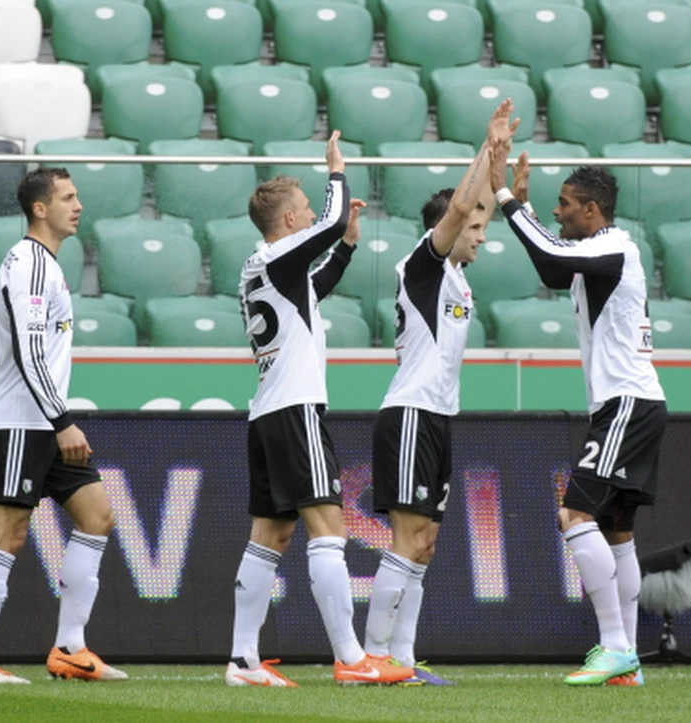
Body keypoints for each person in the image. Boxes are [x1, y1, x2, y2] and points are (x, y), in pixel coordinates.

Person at [226, 130, 413, 688]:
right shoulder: (280, 255)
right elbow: (327, 224)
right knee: (328, 528)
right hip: (294, 408)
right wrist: (336, 171)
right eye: (304, 209)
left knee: (270, 535)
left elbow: (314, 286)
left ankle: (242, 661)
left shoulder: (262, 265)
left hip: (267, 411)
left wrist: (348, 245)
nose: (311, 215)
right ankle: (351, 658)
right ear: (287, 220)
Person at [489, 146, 668, 686]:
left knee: (574, 516)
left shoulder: (613, 246)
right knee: (617, 533)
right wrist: (527, 211)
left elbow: (549, 253)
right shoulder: (599, 251)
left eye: (565, 204)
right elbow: (551, 266)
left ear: (592, 210)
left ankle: (614, 646)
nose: (558, 210)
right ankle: (628, 663)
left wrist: (506, 197)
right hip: (633, 403)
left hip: (625, 404)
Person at [362, 101, 519, 686]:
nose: (481, 236)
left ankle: (402, 659)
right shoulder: (422, 267)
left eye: (482, 228)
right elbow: (459, 208)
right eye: (473, 231)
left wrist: (499, 168)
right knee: (408, 539)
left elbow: (476, 205)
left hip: (437, 417)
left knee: (425, 543)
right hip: (409, 414)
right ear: (445, 232)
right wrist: (484, 146)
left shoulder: (456, 277)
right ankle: (372, 656)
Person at [0, 168, 126, 684]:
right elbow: (29, 353)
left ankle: (70, 647)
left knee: (97, 517)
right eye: (68, 197)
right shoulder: (28, 264)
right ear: (40, 209)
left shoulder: (45, 264)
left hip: (43, 421)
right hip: (22, 421)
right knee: (7, 533)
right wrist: (62, 421)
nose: (79, 205)